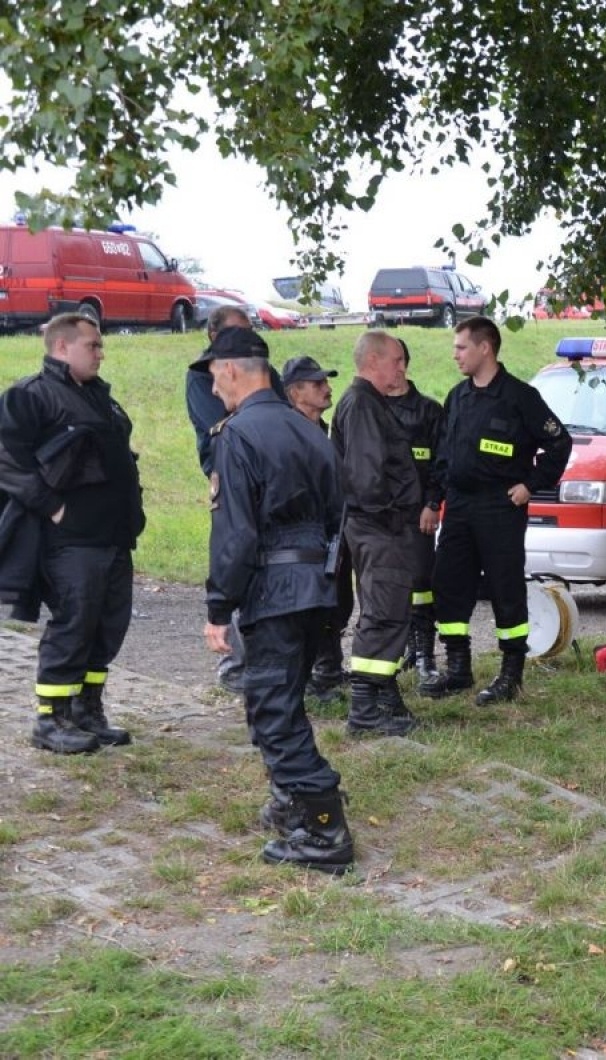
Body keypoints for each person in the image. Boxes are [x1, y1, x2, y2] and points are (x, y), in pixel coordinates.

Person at [195, 326, 354, 874]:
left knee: (274, 709)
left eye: (215, 376)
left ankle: (324, 827)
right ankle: (291, 799)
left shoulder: (238, 435)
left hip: (275, 590)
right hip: (318, 587)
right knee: (281, 703)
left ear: (233, 370)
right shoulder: (310, 430)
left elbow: (234, 535)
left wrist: (219, 608)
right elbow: (339, 516)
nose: (214, 390)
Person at [0, 314, 145, 754]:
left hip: (113, 535)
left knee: (107, 625)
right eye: (93, 345)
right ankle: (51, 719)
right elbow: (7, 459)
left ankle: (87, 710)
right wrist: (52, 506)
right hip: (71, 541)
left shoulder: (100, 397)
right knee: (74, 622)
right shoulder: (31, 396)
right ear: (62, 348)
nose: (101, 352)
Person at [420, 316, 572, 705]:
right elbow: (443, 457)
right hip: (460, 506)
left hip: (500, 507)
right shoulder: (457, 397)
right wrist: (434, 501)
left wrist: (530, 485)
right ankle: (458, 669)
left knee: (505, 588)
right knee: (450, 584)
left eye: (461, 347)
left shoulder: (520, 397)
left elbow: (559, 444)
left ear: (484, 348)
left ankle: (510, 675)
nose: (455, 354)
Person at [330, 331, 422, 737]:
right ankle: (366, 708)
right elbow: (368, 477)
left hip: (380, 527)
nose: (402, 368)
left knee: (390, 611)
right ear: (372, 360)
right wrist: (390, 517)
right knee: (382, 613)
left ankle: (383, 695)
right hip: (379, 527)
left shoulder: (369, 403)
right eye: (396, 360)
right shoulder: (363, 405)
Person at [184, 304, 279, 694]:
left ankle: (260, 659)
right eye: (232, 333)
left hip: (268, 478)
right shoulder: (202, 377)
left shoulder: (265, 372)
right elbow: (222, 426)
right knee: (236, 555)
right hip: (232, 471)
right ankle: (236, 661)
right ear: (213, 337)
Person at [282, 355, 354, 704]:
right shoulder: (286, 430)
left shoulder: (324, 427)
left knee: (338, 603)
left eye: (326, 382)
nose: (327, 389)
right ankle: (311, 676)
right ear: (296, 392)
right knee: (311, 608)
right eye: (318, 384)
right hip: (303, 536)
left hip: (334, 531)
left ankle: (328, 669)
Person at [384, 338, 446, 678]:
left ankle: (425, 654)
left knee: (422, 583)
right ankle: (400, 651)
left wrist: (433, 503)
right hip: (382, 516)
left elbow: (441, 462)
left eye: (396, 361)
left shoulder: (428, 411)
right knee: (389, 585)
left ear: (404, 364)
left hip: (418, 514)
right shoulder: (370, 408)